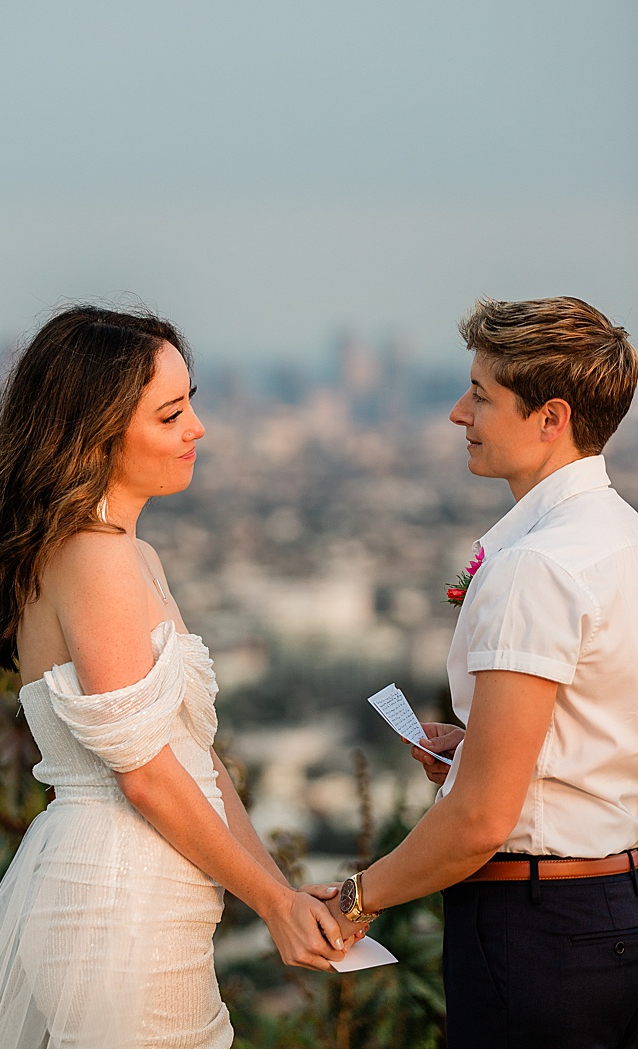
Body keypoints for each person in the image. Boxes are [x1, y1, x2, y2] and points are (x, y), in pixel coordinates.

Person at [0, 306, 349, 1049]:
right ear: (96, 434)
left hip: (142, 900)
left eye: (190, 402)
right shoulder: (95, 557)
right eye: (171, 413)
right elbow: (147, 777)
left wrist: (282, 895)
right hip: (116, 902)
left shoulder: (131, 555)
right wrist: (272, 902)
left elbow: (196, 760)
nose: (198, 428)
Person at [328, 297, 638, 1048]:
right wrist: (475, 745)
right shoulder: (622, 537)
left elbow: (479, 820)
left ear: (551, 417)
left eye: (481, 395)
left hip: (539, 932)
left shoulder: (535, 567)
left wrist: (354, 898)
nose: (458, 413)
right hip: (616, 908)